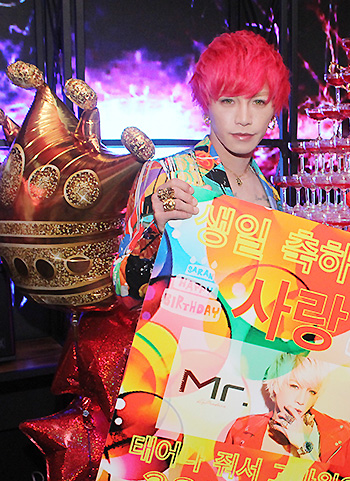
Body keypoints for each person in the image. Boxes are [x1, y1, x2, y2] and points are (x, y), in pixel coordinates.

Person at [113, 30, 290, 299]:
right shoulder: (168, 174)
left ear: (273, 110)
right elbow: (123, 287)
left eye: (258, 102)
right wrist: (157, 229)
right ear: (206, 106)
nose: (244, 118)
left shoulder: (271, 193)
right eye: (228, 101)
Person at [225, 353, 350, 463]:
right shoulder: (242, 428)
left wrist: (303, 443)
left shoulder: (339, 431)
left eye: (312, 392)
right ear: (275, 384)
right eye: (294, 386)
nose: (301, 400)